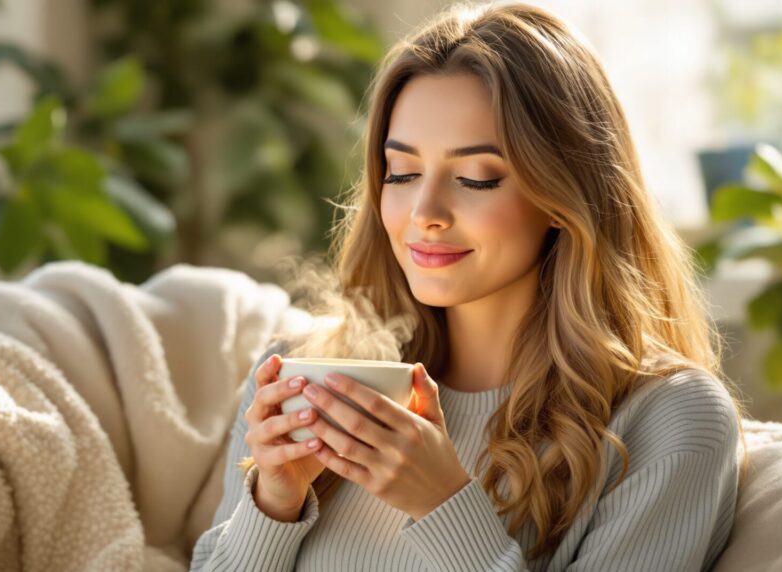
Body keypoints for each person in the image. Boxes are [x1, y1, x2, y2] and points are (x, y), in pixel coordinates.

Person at [190, 2, 749, 570]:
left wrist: (443, 504)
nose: (424, 212)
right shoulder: (299, 377)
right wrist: (273, 505)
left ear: (565, 195)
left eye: (476, 178)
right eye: (402, 173)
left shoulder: (669, 420)